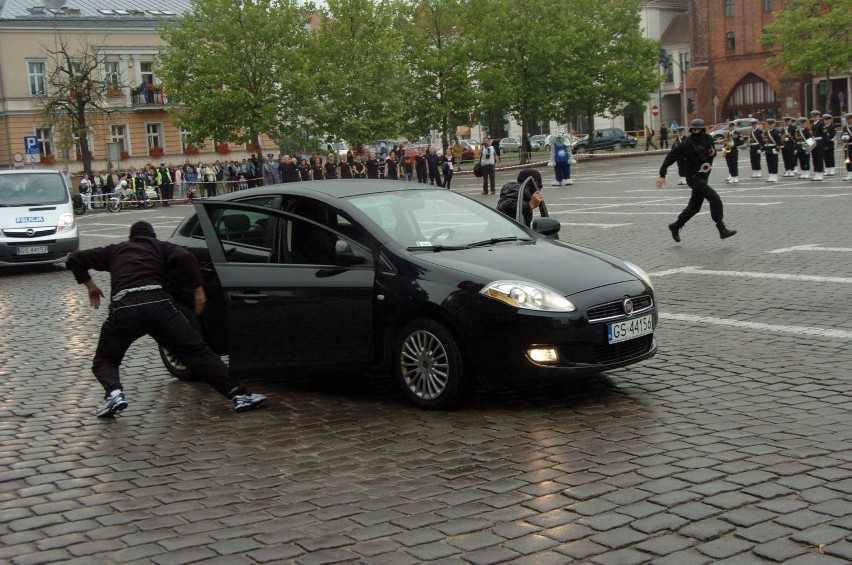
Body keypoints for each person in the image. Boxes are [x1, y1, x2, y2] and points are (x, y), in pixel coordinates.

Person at [66, 220, 266, 417]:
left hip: (125, 308)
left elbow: (75, 258)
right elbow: (186, 257)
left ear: (131, 237)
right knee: (197, 353)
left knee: (105, 358)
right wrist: (197, 288)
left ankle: (114, 393)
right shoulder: (160, 247)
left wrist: (91, 286)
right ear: (153, 236)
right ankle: (240, 395)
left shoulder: (115, 250)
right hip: (159, 307)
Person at [655, 118, 737, 242]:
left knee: (694, 207)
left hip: (704, 175)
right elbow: (670, 157)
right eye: (694, 129)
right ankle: (722, 229)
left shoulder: (708, 138)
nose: (696, 131)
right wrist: (662, 175)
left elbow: (713, 152)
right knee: (715, 198)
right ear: (691, 130)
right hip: (693, 177)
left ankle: (675, 226)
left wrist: (712, 153)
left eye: (699, 129)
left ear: (703, 129)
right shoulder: (686, 144)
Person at [762, 118, 783, 183]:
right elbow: (764, 142)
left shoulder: (776, 132)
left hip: (773, 148)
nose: (770, 125)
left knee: (774, 163)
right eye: (769, 124)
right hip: (768, 149)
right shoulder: (765, 132)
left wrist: (777, 149)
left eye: (771, 124)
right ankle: (771, 175)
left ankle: (775, 176)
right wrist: (763, 149)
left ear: (774, 124)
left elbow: (778, 141)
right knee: (769, 163)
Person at [809, 110, 826, 181]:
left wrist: (824, 144)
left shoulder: (822, 124)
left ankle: (820, 173)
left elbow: (824, 135)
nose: (814, 118)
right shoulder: (812, 125)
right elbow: (811, 135)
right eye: (813, 116)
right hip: (813, 141)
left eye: (815, 116)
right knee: (814, 158)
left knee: (819, 158)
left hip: (820, 142)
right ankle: (816, 173)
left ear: (818, 116)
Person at [841, 113, 852, 181]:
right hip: (847, 146)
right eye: (847, 119)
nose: (848, 120)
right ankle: (849, 174)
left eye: (849, 119)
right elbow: (842, 135)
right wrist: (843, 137)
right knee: (847, 160)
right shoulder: (845, 127)